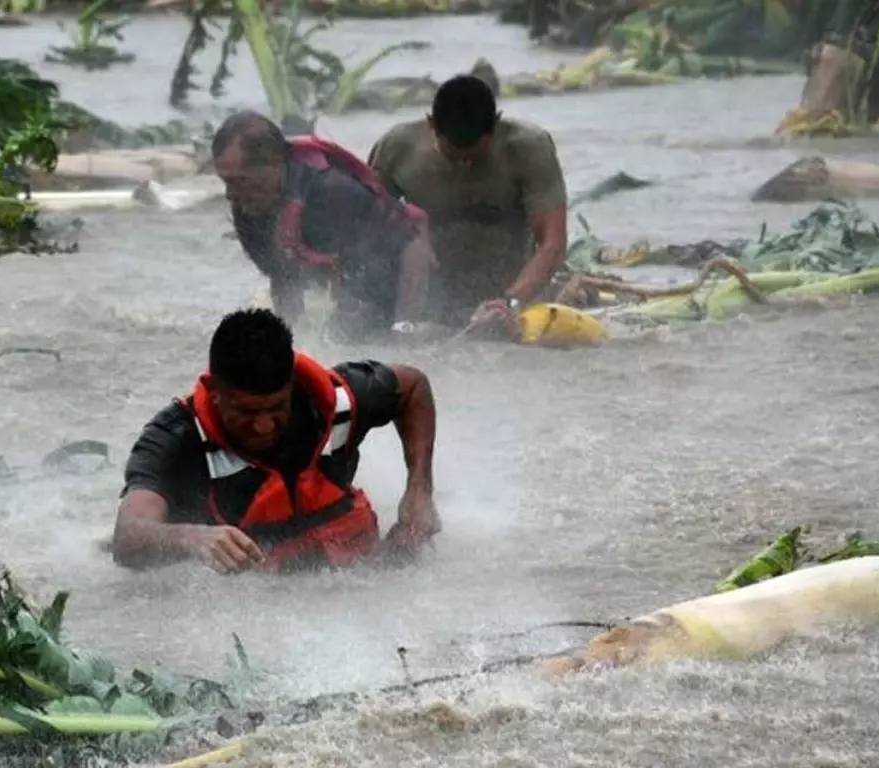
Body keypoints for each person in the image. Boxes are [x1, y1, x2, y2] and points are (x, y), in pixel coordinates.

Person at [107, 308, 440, 574]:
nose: (265, 426)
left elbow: (412, 387)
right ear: (215, 392)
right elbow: (127, 537)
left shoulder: (338, 399)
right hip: (256, 581)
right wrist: (192, 538)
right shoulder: (176, 438)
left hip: (354, 563)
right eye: (247, 411)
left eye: (276, 408)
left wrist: (419, 488)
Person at [367, 73, 569, 336]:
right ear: (431, 125)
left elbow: (552, 241)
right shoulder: (397, 149)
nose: (464, 166)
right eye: (452, 156)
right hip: (427, 310)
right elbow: (367, 229)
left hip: (507, 304)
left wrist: (512, 302)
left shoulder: (529, 149)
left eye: (475, 157)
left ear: (495, 124)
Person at [210, 111, 436, 340]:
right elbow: (282, 279)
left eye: (239, 180)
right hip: (347, 276)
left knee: (360, 334)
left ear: (274, 164)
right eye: (226, 181)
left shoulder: (332, 191)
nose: (230, 194)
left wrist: (403, 328)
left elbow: (372, 271)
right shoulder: (248, 205)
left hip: (409, 267)